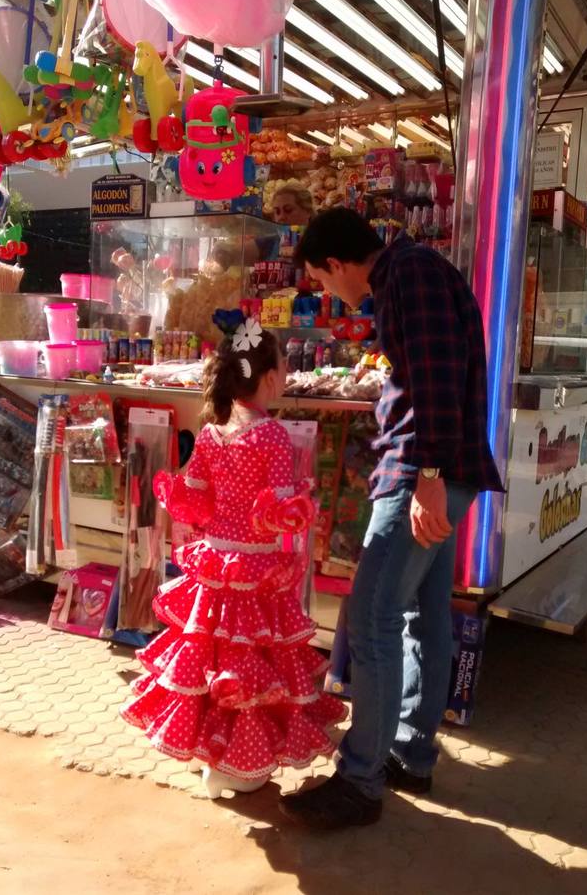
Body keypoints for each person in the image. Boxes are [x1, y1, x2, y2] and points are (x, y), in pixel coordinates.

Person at [281, 208, 503, 830]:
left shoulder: (407, 276)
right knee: (417, 612)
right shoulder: (412, 272)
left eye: (323, 281)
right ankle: (409, 750)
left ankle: (359, 781)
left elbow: (433, 381)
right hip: (430, 473)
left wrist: (427, 479)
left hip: (421, 473)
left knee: (375, 616)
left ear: (338, 264)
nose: (329, 294)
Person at [120, 317, 346, 799]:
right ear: (268, 376)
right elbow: (281, 512)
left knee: (211, 662)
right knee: (254, 667)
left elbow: (195, 503)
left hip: (216, 564)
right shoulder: (271, 437)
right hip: (257, 568)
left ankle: (212, 758)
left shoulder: (211, 433)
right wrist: (307, 505)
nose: (285, 375)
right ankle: (242, 764)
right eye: (284, 366)